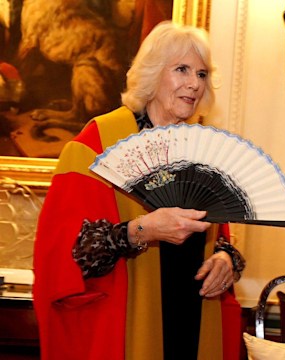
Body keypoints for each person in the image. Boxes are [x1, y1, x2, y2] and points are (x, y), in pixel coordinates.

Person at [33, 22, 246, 360]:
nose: (194, 83)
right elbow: (67, 255)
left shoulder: (203, 153)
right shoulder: (97, 144)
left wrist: (226, 259)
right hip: (126, 328)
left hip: (195, 320)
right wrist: (140, 232)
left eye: (202, 74)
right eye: (182, 69)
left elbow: (217, 236)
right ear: (152, 74)